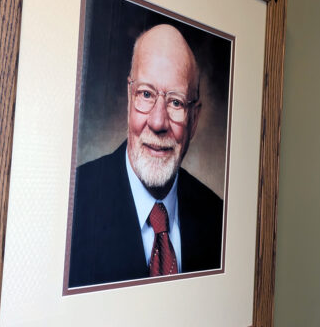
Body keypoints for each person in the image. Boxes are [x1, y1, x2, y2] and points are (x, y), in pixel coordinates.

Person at [68, 24, 223, 288]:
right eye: (146, 94)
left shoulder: (217, 219)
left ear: (194, 119)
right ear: (130, 98)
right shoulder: (74, 203)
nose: (158, 121)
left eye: (176, 102)